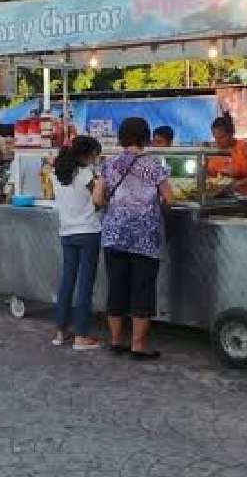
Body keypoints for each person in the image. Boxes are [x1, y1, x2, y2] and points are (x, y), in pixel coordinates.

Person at [100, 117, 173, 360]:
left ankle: (114, 341)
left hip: (114, 234)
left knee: (117, 287)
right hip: (144, 237)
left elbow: (98, 199)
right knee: (142, 289)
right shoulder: (154, 166)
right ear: (145, 137)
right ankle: (138, 346)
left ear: (121, 137)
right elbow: (169, 198)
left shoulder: (109, 164)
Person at [51, 135, 106, 350]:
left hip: (67, 232)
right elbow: (98, 202)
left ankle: (60, 331)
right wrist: (101, 184)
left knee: (67, 281)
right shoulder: (85, 174)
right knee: (85, 285)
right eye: (95, 155)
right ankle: (82, 335)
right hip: (88, 232)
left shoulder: (58, 174)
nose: (96, 159)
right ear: (87, 154)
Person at [207, 112, 247, 196]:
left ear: (231, 134)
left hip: (244, 197)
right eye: (215, 138)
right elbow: (208, 174)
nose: (217, 141)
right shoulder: (212, 151)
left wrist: (236, 184)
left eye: (221, 137)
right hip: (216, 198)